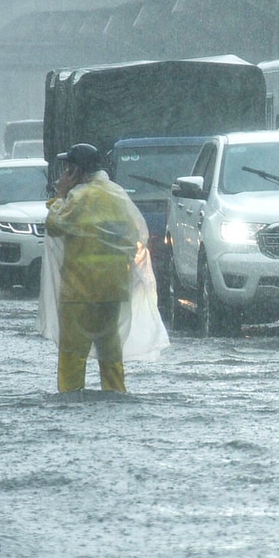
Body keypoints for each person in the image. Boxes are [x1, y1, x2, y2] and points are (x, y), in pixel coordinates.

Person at [42, 143, 167, 393]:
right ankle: (115, 394)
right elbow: (133, 237)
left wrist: (60, 195)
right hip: (113, 292)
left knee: (72, 357)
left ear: (76, 172)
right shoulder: (118, 194)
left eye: (67, 169)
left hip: (79, 293)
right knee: (111, 356)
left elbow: (54, 225)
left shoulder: (78, 198)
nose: (64, 174)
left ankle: (71, 400)